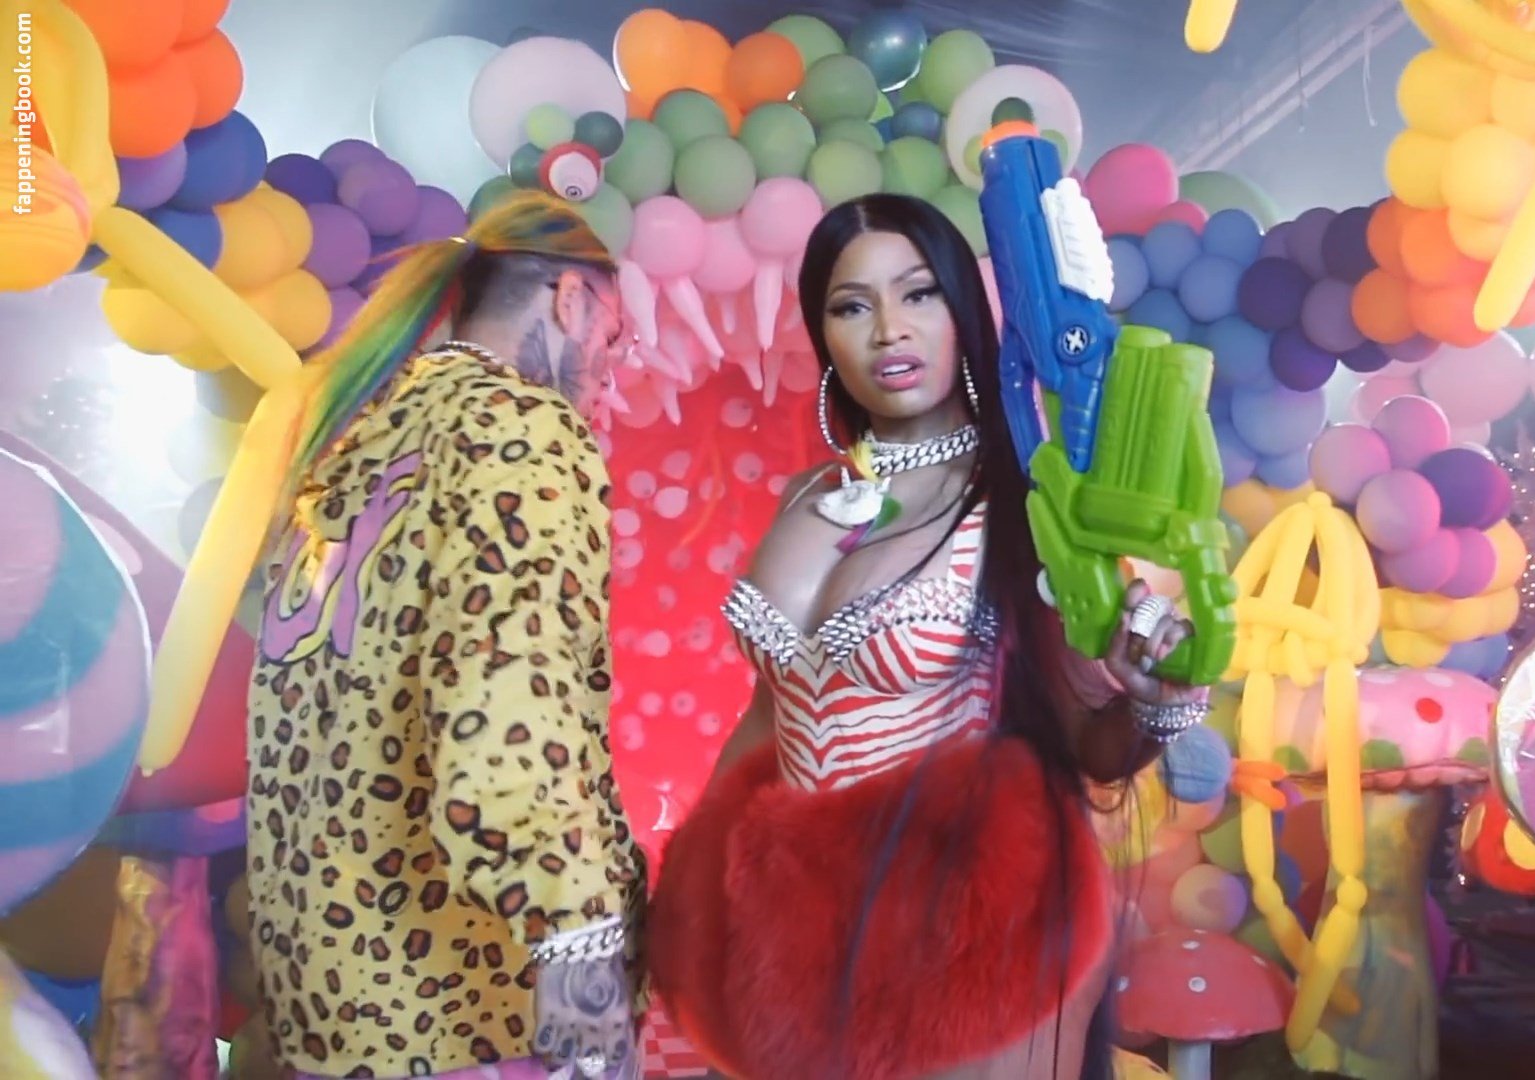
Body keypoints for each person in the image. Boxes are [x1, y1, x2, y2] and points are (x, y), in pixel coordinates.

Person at [646, 193, 1211, 1079]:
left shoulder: (1028, 503)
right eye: (852, 305)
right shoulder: (808, 497)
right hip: (798, 935)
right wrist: (687, 898)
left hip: (967, 929)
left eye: (918, 294)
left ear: (962, 312)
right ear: (823, 335)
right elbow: (770, 713)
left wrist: (1158, 703)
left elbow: (1091, 748)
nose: (888, 331)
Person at [246, 192, 646, 1080]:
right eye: (613, 339)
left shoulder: (351, 436)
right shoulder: (520, 429)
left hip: (326, 1003)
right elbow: (508, 713)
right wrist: (581, 956)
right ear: (571, 299)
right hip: (462, 1010)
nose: (607, 375)